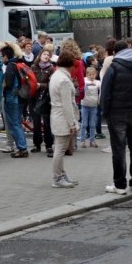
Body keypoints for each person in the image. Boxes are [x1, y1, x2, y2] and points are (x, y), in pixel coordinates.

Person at [100, 38, 132, 195]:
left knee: (119, 149)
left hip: (117, 112)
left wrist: (105, 112)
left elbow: (105, 92)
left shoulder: (114, 67)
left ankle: (120, 185)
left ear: (115, 52)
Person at [49, 51, 79, 188]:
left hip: (56, 114)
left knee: (59, 148)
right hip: (63, 116)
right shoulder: (64, 80)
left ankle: (61, 174)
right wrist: (72, 123)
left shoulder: (56, 76)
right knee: (60, 149)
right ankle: (57, 178)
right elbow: (67, 104)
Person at [79, 66, 100, 148]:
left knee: (92, 124)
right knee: (84, 124)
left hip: (94, 105)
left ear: (96, 74)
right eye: (90, 74)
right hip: (85, 105)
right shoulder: (84, 80)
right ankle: (82, 141)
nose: (91, 76)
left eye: (93, 74)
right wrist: (89, 83)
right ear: (87, 75)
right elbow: (82, 84)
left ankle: (92, 141)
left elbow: (100, 88)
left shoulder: (98, 82)